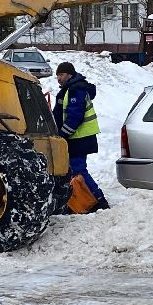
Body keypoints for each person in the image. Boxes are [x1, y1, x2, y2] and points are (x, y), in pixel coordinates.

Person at [53, 61, 110, 210]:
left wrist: (61, 136)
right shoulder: (68, 89)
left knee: (78, 169)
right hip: (76, 137)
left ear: (70, 74)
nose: (59, 78)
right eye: (57, 75)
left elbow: (74, 117)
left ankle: (98, 200)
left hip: (79, 138)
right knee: (73, 170)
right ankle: (81, 201)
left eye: (62, 74)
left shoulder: (75, 90)